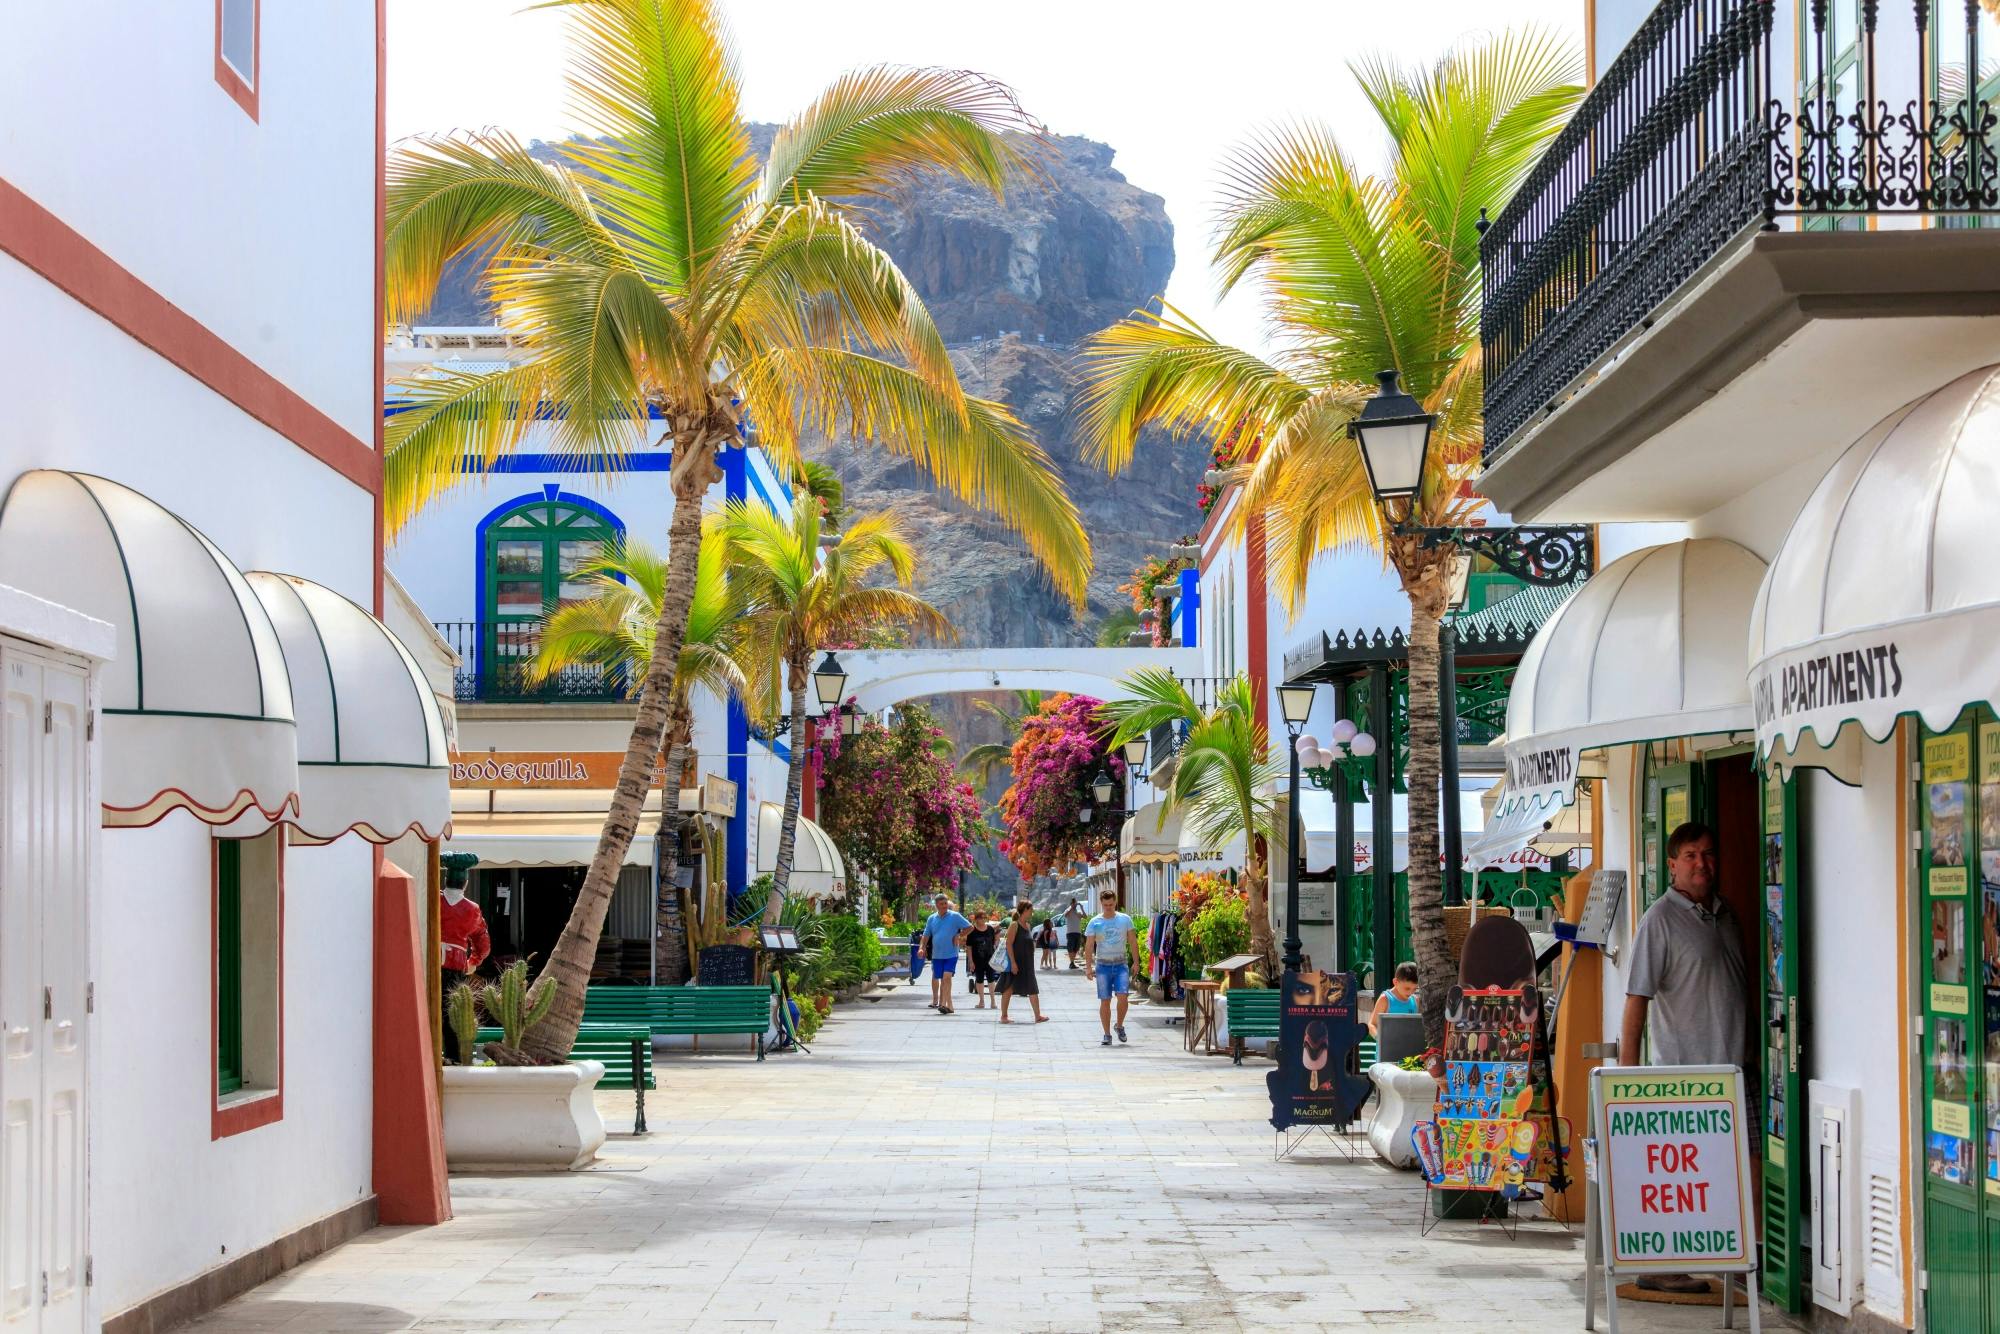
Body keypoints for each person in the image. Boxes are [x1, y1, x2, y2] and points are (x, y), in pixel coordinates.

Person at [1618, 821, 1749, 1295]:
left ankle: (1737, 1260)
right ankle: (1660, 1266)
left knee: (1737, 1168)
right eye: (1690, 856)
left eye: (1708, 854)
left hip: (1735, 1071)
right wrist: (1628, 1083)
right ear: (1671, 864)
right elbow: (1636, 1000)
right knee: (1676, 1180)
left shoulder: (1725, 913)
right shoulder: (1660, 919)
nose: (1701, 864)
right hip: (1685, 1076)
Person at [439, 877, 491, 1063]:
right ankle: (453, 1056)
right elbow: (482, 940)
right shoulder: (472, 909)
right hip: (456, 963)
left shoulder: (433, 900)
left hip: (431, 960)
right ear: (466, 883)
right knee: (452, 1011)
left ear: (446, 880)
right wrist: (474, 960)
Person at [1084, 889, 1138, 1046]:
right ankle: (1107, 1034)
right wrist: (1088, 967)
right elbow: (1089, 945)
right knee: (1105, 1000)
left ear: (1115, 902)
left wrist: (1136, 962)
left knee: (1123, 996)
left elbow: (1133, 941)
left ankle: (1119, 1025)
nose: (1108, 907)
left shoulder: (1125, 920)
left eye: (1111, 904)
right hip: (1103, 965)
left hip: (1121, 963)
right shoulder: (1096, 922)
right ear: (1101, 903)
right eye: (1105, 904)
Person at [919, 893, 971, 1016]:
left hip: (951, 954)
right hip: (937, 955)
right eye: (941, 904)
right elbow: (926, 935)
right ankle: (949, 1006)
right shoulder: (931, 918)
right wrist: (921, 948)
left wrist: (958, 935)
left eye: (945, 903)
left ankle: (943, 1004)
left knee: (946, 977)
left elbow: (969, 927)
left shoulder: (955, 916)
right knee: (943, 979)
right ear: (936, 905)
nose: (944, 906)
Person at [999, 899, 1046, 1024]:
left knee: (1032, 988)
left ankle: (1037, 1016)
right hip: (1016, 962)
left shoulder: (1028, 925)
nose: (1032, 912)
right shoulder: (1014, 925)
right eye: (1031, 910)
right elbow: (1009, 944)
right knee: (1008, 988)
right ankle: (1004, 1016)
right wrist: (1013, 962)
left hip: (1027, 963)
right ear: (1025, 910)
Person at [1367, 962, 1420, 1037]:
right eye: (1407, 988)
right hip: (1387, 1047)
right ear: (1395, 982)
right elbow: (1372, 1025)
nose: (1411, 992)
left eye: (1415, 989)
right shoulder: (1385, 999)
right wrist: (1380, 1039)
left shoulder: (1415, 1001)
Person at [966, 911, 1000, 1010]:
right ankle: (981, 1001)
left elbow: (993, 942)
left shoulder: (990, 929)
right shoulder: (972, 930)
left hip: (989, 958)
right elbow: (969, 947)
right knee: (979, 979)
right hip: (977, 959)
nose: (983, 919)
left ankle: (993, 1001)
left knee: (991, 979)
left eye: (985, 917)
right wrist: (971, 961)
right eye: (981, 918)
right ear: (976, 919)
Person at [1064, 899, 1086, 968]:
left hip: (1078, 932)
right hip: (1070, 932)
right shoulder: (1068, 910)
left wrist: (1082, 908)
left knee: (1076, 948)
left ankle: (1072, 962)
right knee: (1070, 948)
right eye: (1073, 903)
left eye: (1075, 903)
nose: (1075, 905)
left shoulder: (1078, 912)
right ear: (1071, 904)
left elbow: (1085, 917)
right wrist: (1071, 907)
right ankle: (1071, 962)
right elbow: (1065, 915)